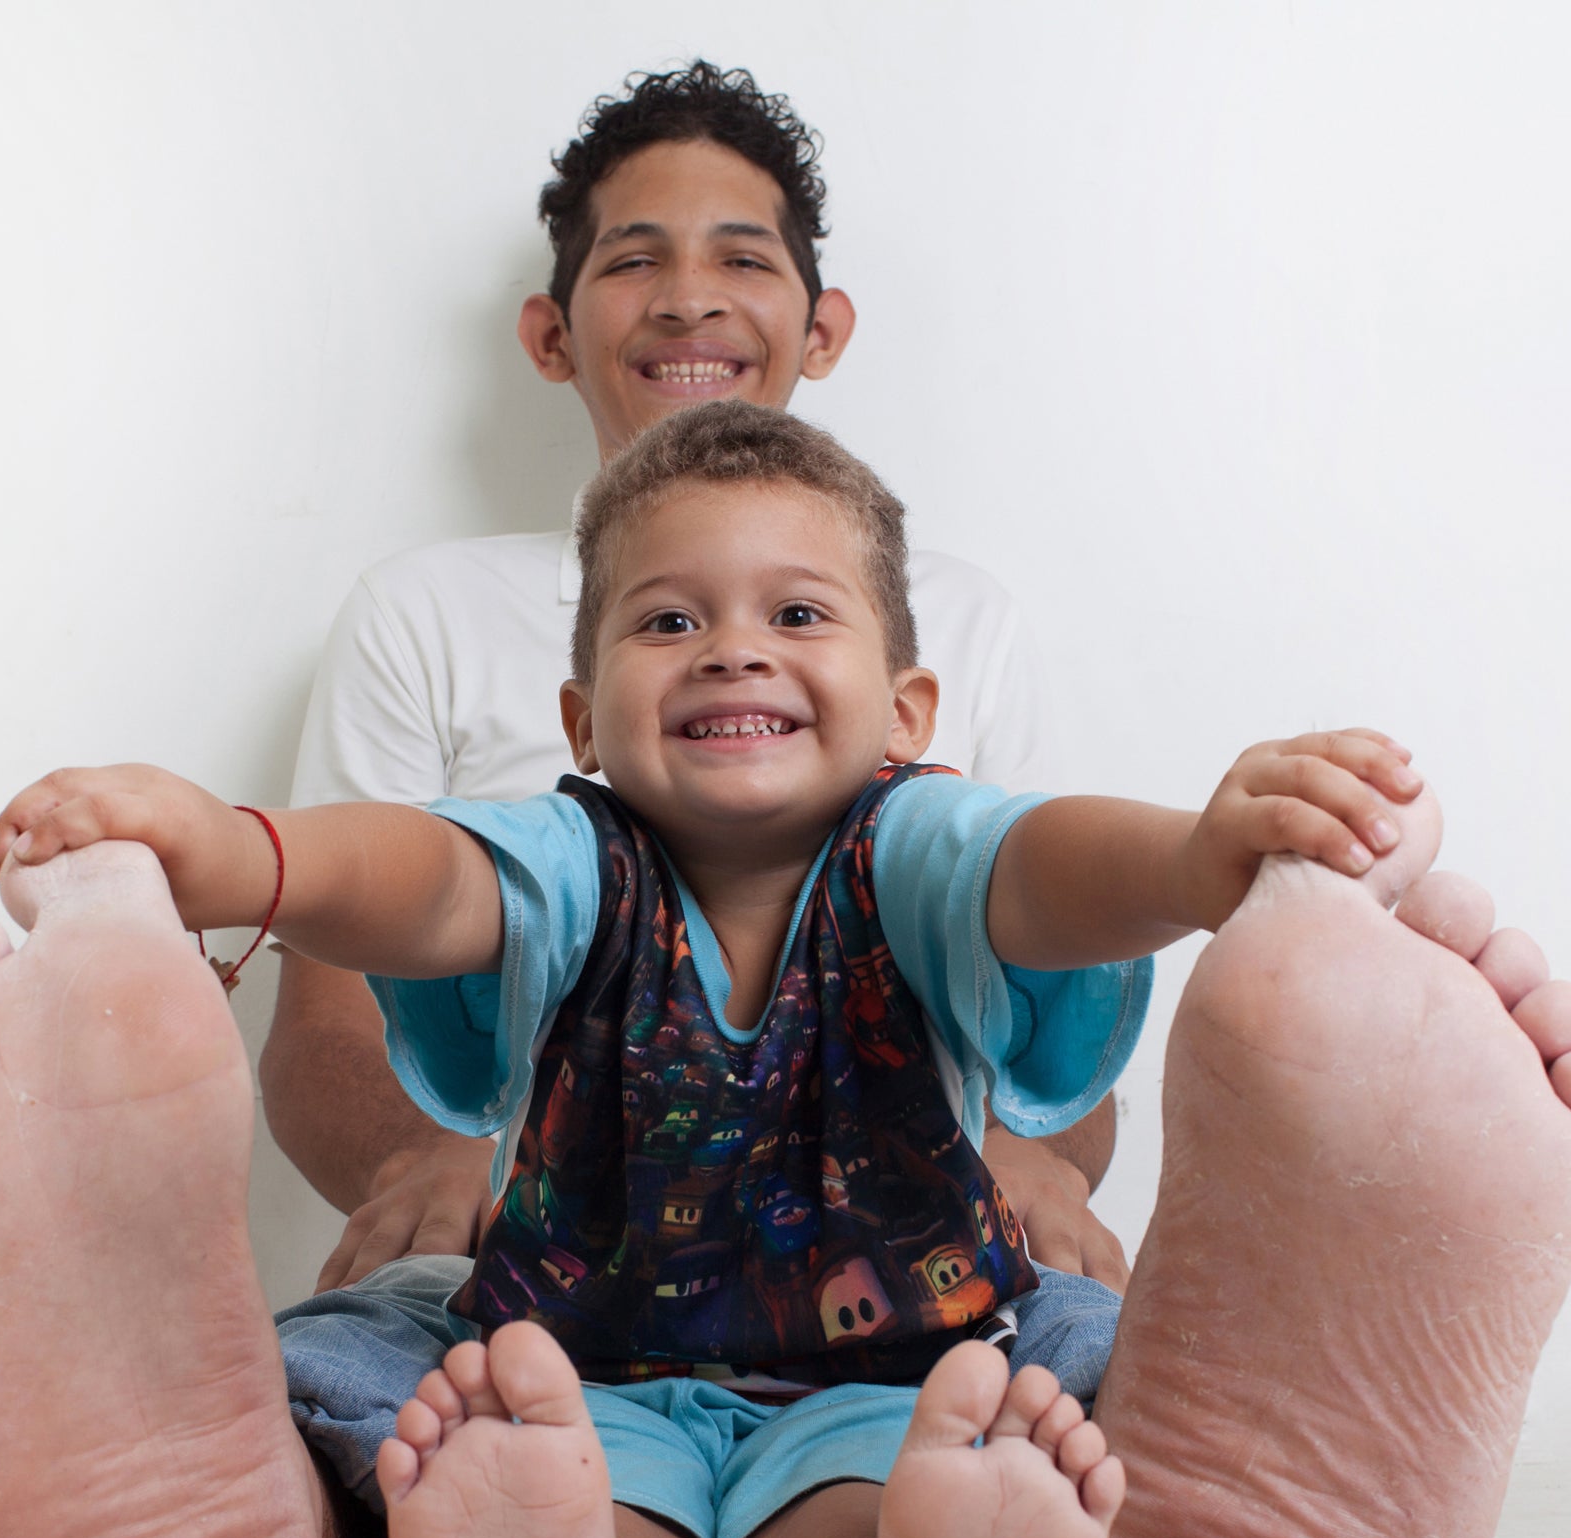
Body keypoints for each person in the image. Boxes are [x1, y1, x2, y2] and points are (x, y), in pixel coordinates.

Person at [0, 403, 1571, 1538]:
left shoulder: (920, 848)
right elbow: (413, 878)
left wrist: (1198, 862)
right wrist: (240, 855)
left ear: (909, 710)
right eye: (669, 619)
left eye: (797, 613)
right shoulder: (562, 858)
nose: (729, 646)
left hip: (886, 1395)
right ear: (582, 716)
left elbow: (1051, 868)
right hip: (572, 1403)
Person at [266, 61, 1131, 1301]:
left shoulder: (960, 618)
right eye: (630, 261)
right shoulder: (422, 614)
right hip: (547, 1271)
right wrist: (429, 1151)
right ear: (550, 334)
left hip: (896, 1272)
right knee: (365, 1376)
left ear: (822, 328)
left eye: (741, 259)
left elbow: (1058, 988)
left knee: (1060, 1376)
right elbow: (330, 1015)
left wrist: (1038, 1154)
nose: (685, 302)